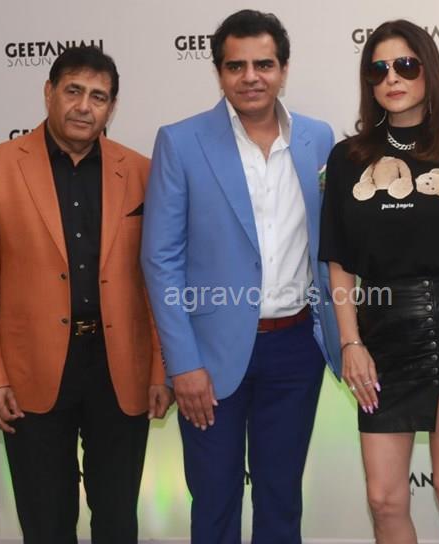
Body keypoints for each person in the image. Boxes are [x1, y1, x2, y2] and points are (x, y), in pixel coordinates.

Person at [140, 9, 341, 544]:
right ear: (219, 72)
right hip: (208, 356)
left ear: (283, 70)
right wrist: (183, 363)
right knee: (214, 499)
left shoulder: (319, 139)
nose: (251, 77)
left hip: (295, 349)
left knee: (281, 499)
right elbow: (161, 259)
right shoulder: (181, 142)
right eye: (236, 66)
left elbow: (330, 246)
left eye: (264, 65)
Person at [0, 45, 173, 544]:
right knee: (46, 523)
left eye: (98, 97)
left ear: (111, 107)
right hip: (29, 372)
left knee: (117, 519)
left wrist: (160, 369)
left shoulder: (141, 171)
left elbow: (157, 281)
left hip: (119, 368)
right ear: (49, 92)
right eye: (73, 91)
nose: (84, 106)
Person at [319, 20, 439, 544]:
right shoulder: (347, 158)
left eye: (405, 65)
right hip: (379, 330)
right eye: (378, 69)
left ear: (428, 71)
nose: (392, 78)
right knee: (384, 498)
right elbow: (339, 263)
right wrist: (350, 342)